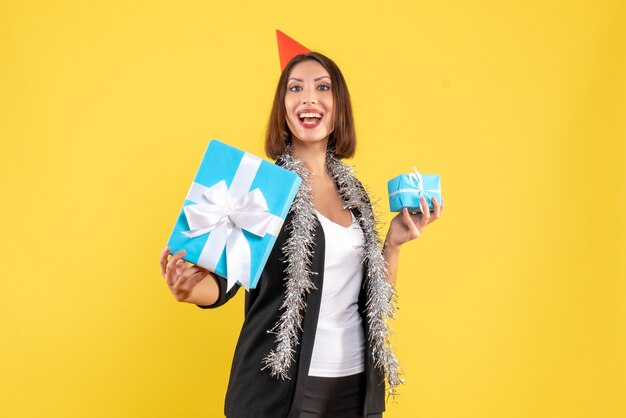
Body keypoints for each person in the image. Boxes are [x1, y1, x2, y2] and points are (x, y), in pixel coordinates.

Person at [159, 51, 443, 418]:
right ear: (284, 107)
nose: (309, 97)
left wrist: (393, 244)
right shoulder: (262, 189)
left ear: (339, 107)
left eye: (322, 87)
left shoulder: (355, 195)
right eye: (296, 88)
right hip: (279, 389)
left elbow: (376, 300)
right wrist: (188, 289)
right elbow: (222, 282)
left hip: (355, 385)